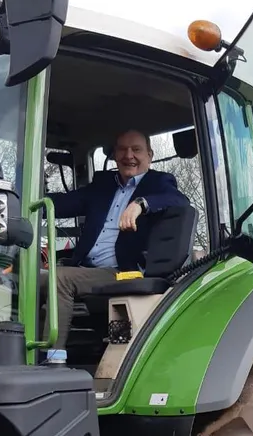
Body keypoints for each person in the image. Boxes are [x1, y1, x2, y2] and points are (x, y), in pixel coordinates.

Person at [40, 129, 190, 362]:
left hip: (122, 271)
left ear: (149, 155)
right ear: (114, 155)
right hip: (85, 268)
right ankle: (18, 351)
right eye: (122, 149)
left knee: (60, 278)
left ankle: (50, 360)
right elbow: (64, 203)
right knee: (27, 279)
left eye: (136, 149)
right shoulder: (103, 185)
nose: (128, 155)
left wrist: (141, 204)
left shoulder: (158, 182)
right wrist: (21, 199)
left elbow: (179, 200)